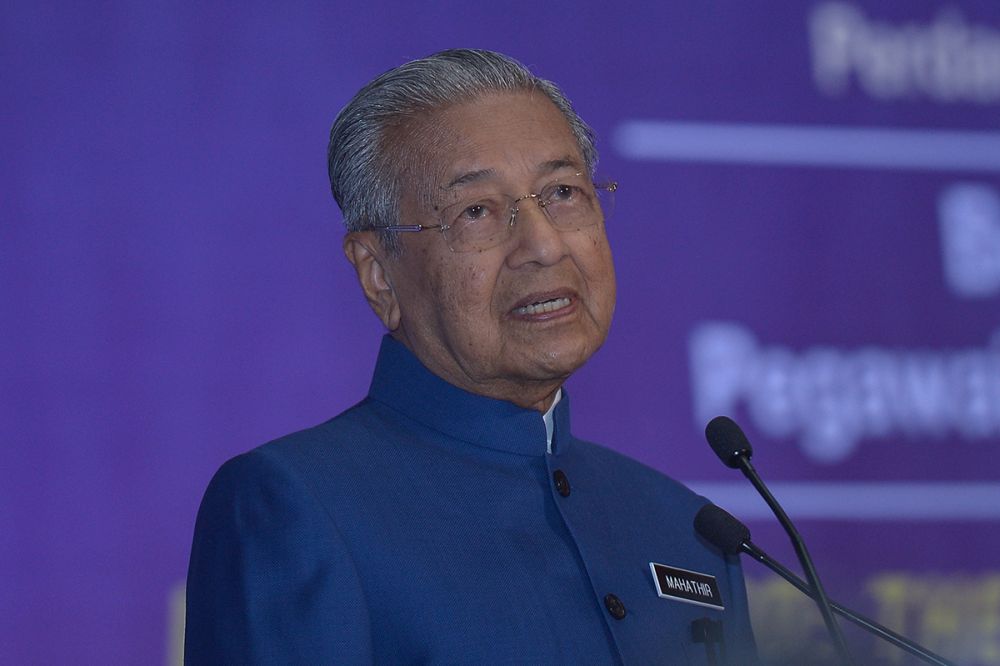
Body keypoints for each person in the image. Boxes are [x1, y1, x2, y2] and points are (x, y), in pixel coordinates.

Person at [184, 48, 759, 664]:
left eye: (563, 192)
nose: (542, 245)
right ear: (379, 274)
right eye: (477, 211)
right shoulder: (297, 508)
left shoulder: (691, 531)